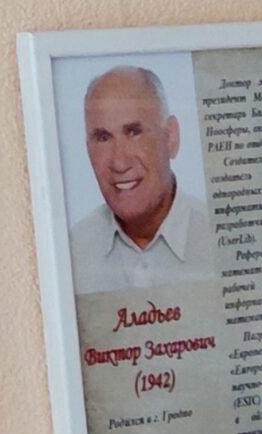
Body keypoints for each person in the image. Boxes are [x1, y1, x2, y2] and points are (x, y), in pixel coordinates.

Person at [68, 65, 212, 295]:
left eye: (134, 132)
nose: (119, 163)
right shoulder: (71, 253)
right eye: (103, 138)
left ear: (171, 138)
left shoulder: (223, 241)